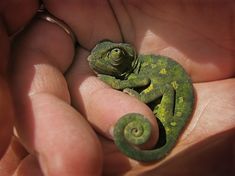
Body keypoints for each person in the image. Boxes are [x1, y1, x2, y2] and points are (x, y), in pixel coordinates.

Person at [0, 1, 235, 175]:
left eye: (115, 55)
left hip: (172, 100)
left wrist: (124, 87)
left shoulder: (140, 70)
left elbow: (146, 84)